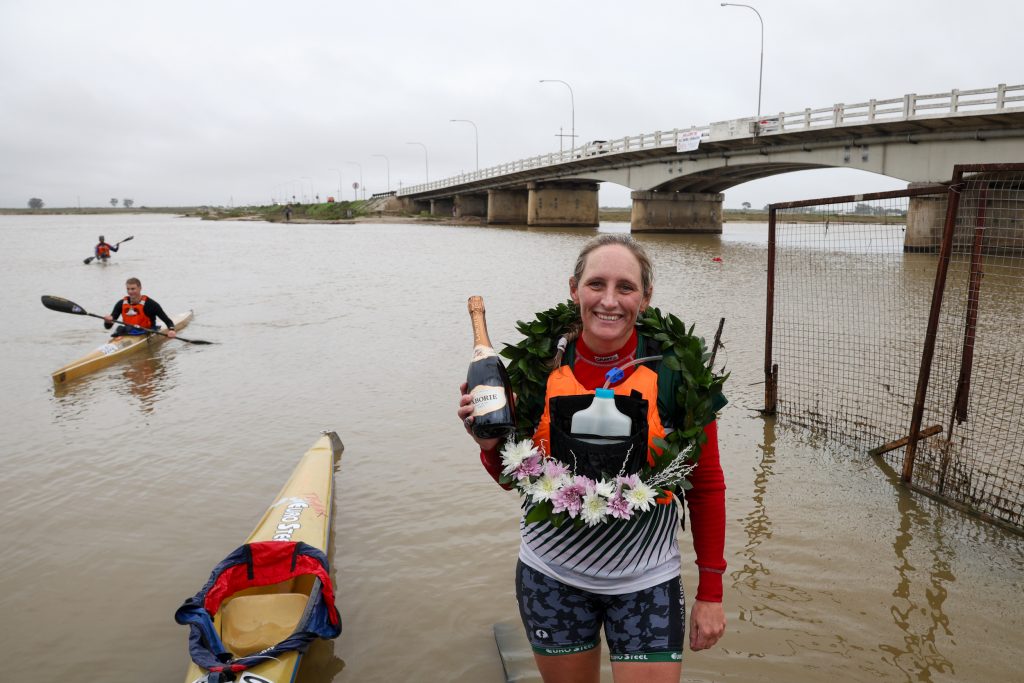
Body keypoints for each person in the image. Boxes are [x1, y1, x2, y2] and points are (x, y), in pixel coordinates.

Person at [457, 234, 727, 683]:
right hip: (552, 578)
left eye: (626, 287)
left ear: (646, 297)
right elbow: (513, 479)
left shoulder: (678, 372)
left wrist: (712, 591)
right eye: (596, 284)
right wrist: (487, 446)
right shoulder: (536, 365)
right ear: (573, 288)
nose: (609, 300)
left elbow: (708, 484)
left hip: (647, 582)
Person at [103, 277, 177, 338]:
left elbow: (168, 321)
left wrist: (171, 330)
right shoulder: (121, 303)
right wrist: (107, 321)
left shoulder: (151, 304)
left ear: (140, 288)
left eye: (133, 289)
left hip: (147, 332)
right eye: (128, 289)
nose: (130, 292)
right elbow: (108, 327)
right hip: (129, 333)